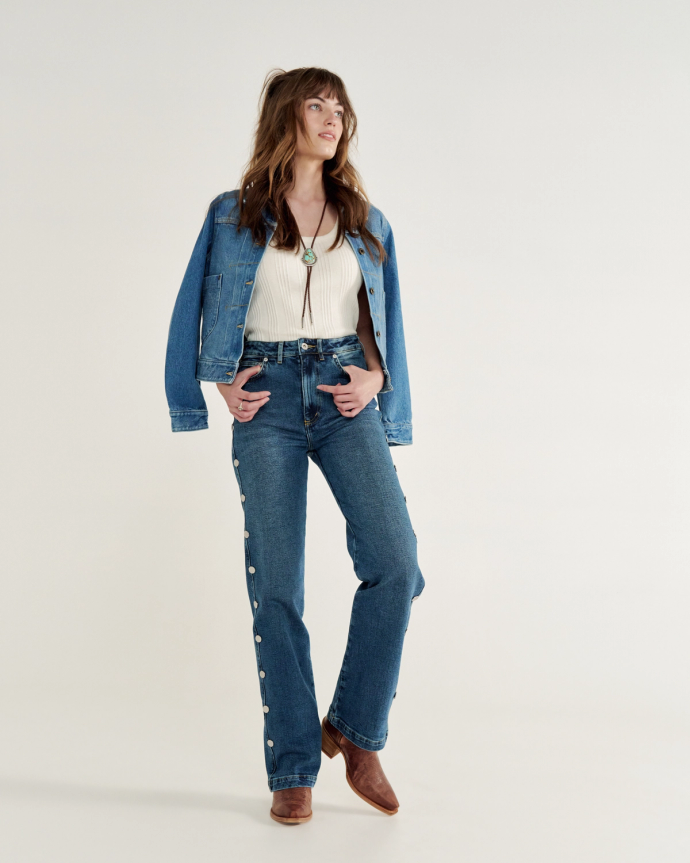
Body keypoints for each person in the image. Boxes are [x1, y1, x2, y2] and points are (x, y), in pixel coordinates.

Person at [164, 66, 425, 825]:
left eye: (339, 106)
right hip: (269, 397)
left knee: (397, 562)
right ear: (287, 116)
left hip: (345, 394)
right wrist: (213, 383)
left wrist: (377, 379)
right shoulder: (232, 214)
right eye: (317, 103)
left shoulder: (366, 217)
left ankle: (353, 726)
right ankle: (293, 766)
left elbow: (389, 316)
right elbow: (195, 303)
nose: (332, 116)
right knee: (277, 585)